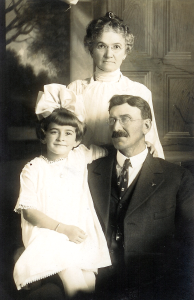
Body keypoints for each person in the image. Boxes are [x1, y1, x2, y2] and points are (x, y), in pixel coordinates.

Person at [88, 94, 194, 300]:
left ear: (146, 126)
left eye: (125, 119)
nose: (116, 126)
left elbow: (189, 240)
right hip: (99, 284)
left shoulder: (177, 177)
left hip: (155, 285)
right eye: (112, 120)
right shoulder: (90, 172)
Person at [13, 84, 111, 299]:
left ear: (77, 140)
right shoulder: (34, 168)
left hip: (80, 231)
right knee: (73, 278)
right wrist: (63, 229)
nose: (61, 138)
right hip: (50, 232)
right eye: (54, 132)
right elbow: (28, 211)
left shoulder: (79, 155)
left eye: (68, 133)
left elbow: (107, 149)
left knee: (88, 282)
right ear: (43, 136)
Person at [68, 11, 164, 159]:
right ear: (91, 49)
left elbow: (150, 139)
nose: (109, 54)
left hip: (125, 167)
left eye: (116, 47)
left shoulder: (139, 91)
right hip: (84, 167)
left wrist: (148, 147)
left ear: (126, 52)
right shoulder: (75, 89)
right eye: (101, 46)